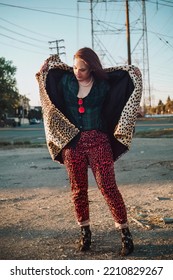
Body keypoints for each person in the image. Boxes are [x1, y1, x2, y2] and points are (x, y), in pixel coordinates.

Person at [36, 47, 142, 256]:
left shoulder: (103, 85)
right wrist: (43, 71)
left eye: (82, 69)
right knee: (78, 190)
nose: (77, 72)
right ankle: (85, 233)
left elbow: (121, 78)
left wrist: (133, 74)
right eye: (75, 67)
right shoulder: (66, 82)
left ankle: (125, 234)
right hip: (72, 143)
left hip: (98, 141)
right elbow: (49, 80)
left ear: (92, 68)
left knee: (108, 187)